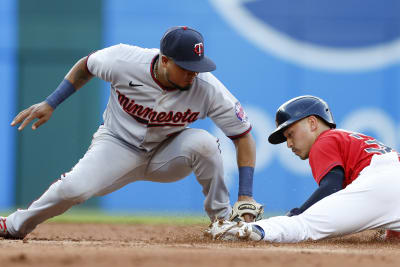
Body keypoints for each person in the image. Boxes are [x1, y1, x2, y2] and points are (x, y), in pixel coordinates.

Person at [0, 26, 262, 239]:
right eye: (185, 67)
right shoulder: (124, 60)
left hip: (169, 153)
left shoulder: (207, 88)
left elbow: (243, 136)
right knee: (72, 190)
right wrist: (51, 102)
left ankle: (222, 221)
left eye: (196, 67)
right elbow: (86, 65)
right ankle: (13, 225)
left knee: (204, 143)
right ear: (165, 59)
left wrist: (246, 194)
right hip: (116, 145)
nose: (192, 74)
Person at [207, 95, 400, 242]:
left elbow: (331, 186)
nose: (289, 144)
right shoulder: (352, 137)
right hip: (389, 179)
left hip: (381, 182)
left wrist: (298, 214)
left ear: (313, 122)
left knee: (304, 226)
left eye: (290, 134)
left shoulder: (324, 140)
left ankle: (250, 229)